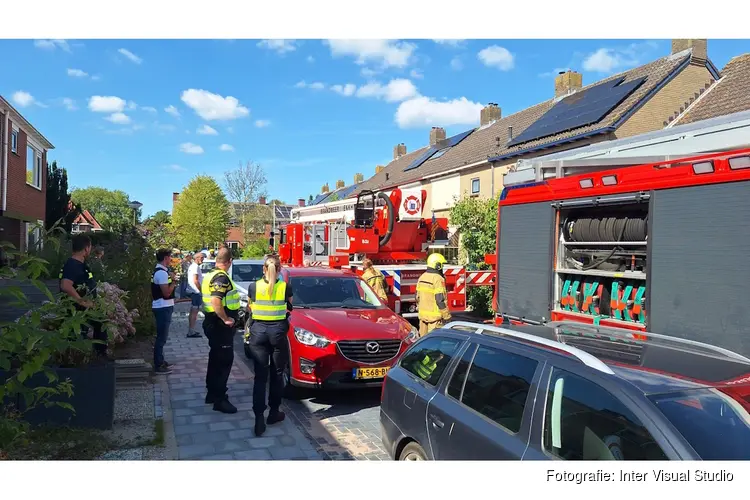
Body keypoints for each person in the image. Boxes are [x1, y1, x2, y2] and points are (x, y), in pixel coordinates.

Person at [246, 254, 293, 436]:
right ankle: (274, 412)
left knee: (260, 377)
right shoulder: (285, 286)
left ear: (263, 269)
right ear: (279, 269)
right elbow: (290, 307)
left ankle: (259, 418)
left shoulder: (253, 287)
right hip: (278, 334)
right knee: (277, 374)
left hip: (258, 333)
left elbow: (250, 307)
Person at [201, 247, 241, 414]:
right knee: (224, 362)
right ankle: (220, 399)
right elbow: (216, 300)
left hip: (212, 322)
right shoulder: (221, 277)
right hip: (220, 325)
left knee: (215, 359)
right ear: (229, 262)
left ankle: (211, 393)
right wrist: (226, 319)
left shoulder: (210, 274)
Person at [59, 233, 108, 358]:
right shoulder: (73, 265)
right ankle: (81, 358)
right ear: (86, 248)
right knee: (78, 334)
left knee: (100, 323)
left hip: (87, 307)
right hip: (78, 309)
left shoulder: (80, 264)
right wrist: (81, 301)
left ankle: (99, 354)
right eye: (90, 247)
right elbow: (65, 285)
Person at [152, 248, 176, 374]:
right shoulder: (161, 273)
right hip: (162, 307)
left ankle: (160, 360)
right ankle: (158, 364)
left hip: (163, 306)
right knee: (161, 337)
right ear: (166, 258)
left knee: (163, 337)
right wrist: (174, 282)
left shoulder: (162, 272)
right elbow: (166, 293)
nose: (171, 259)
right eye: (170, 257)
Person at [416, 253, 452, 337]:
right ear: (437, 265)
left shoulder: (422, 277)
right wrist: (447, 316)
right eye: (442, 264)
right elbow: (440, 300)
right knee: (435, 345)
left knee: (422, 343)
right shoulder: (438, 279)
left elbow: (417, 297)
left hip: (422, 318)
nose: (442, 267)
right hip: (435, 320)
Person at [186, 252, 205, 338]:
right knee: (194, 311)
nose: (203, 259)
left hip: (193, 291)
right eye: (201, 257)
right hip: (196, 292)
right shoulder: (195, 267)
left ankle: (191, 330)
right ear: (197, 258)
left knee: (193, 311)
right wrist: (201, 290)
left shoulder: (193, 266)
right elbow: (195, 280)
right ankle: (191, 331)